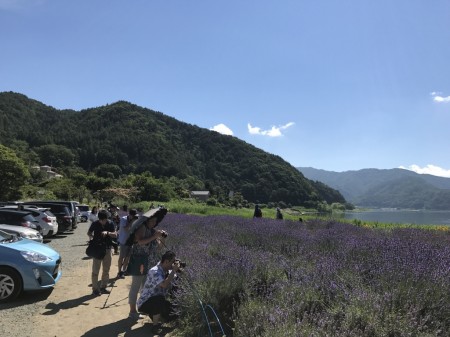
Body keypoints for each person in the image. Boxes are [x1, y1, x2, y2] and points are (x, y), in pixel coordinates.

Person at [127, 215, 167, 320]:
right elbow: (140, 242)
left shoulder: (152, 231)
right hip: (139, 262)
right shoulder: (141, 228)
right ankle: (132, 311)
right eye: (152, 221)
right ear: (147, 220)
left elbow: (159, 247)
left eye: (155, 221)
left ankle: (142, 308)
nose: (154, 223)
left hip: (149, 263)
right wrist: (154, 236)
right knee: (135, 286)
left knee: (145, 287)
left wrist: (161, 237)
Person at [137, 250, 181, 334]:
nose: (173, 264)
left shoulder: (165, 269)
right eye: (172, 262)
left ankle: (155, 316)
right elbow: (164, 285)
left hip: (155, 301)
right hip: (145, 303)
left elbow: (173, 280)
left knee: (174, 313)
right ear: (166, 261)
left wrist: (178, 271)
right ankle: (155, 326)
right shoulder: (155, 271)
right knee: (159, 299)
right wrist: (174, 271)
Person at [87, 210, 117, 296]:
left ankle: (103, 287)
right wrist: (94, 239)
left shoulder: (110, 223)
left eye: (105, 220)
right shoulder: (95, 223)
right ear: (99, 219)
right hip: (97, 249)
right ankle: (95, 289)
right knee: (95, 270)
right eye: (102, 220)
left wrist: (108, 233)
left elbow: (115, 234)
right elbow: (89, 233)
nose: (103, 221)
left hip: (107, 249)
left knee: (106, 269)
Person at [116, 208, 138, 279]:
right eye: (132, 216)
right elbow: (125, 229)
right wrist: (132, 222)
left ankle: (123, 271)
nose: (133, 217)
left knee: (127, 258)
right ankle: (119, 271)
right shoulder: (123, 219)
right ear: (129, 214)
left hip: (130, 241)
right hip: (123, 241)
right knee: (122, 257)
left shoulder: (135, 220)